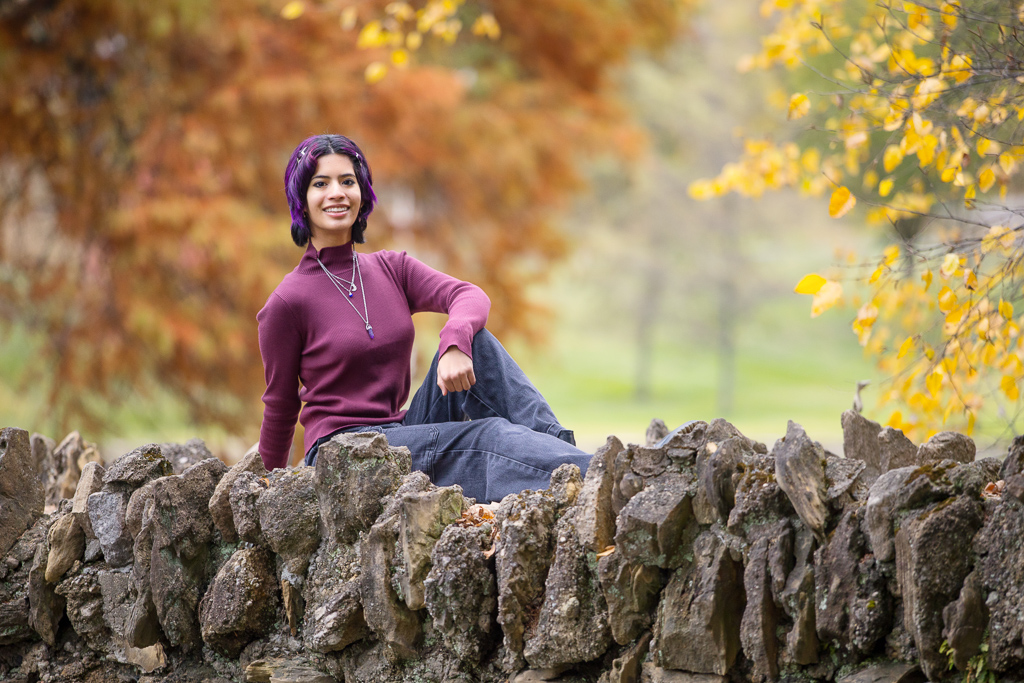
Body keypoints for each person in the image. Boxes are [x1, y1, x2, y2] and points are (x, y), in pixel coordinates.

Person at [256, 134, 591, 503]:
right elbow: (281, 407)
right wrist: (264, 497)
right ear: (301, 200)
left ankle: (566, 455)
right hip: (344, 456)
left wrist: (454, 342)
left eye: (347, 181)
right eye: (321, 183)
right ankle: (585, 474)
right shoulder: (287, 302)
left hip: (401, 432)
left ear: (362, 192)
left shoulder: (391, 268)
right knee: (485, 435)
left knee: (476, 342)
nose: (337, 192)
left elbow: (468, 295)